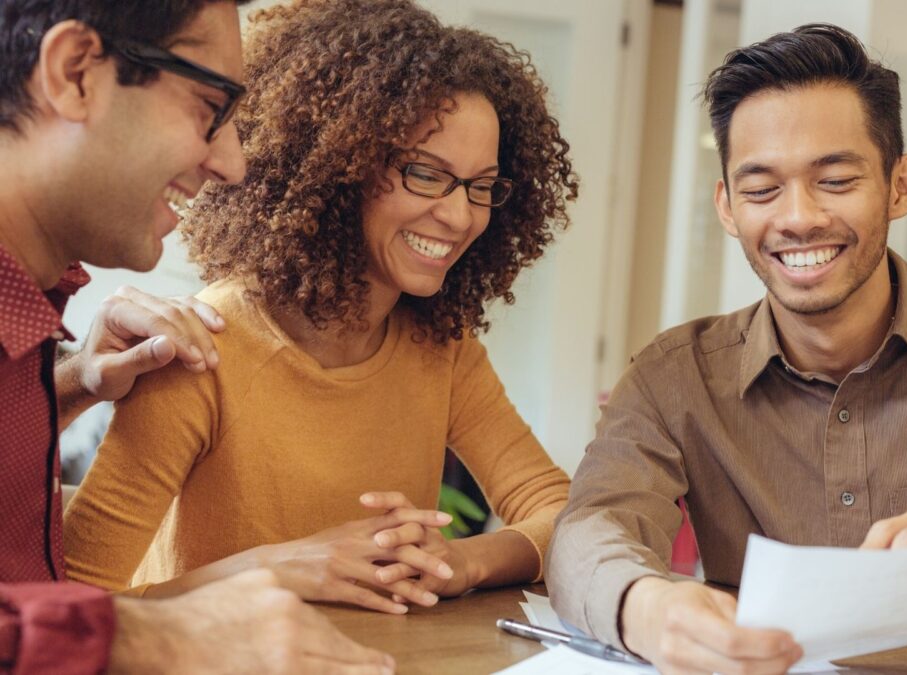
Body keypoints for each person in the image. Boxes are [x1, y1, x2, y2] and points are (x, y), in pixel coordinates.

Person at [547, 23, 907, 675]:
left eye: (833, 180)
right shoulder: (671, 378)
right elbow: (587, 531)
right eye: (761, 188)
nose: (797, 217)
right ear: (727, 205)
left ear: (901, 184)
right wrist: (647, 606)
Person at [63, 0, 576, 614]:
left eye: (482, 186)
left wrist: (458, 561)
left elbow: (560, 511)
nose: (461, 215)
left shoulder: (442, 350)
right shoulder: (201, 348)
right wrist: (266, 575)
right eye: (425, 174)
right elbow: (72, 606)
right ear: (339, 166)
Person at [0, 1, 395, 672]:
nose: (233, 163)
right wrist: (152, 636)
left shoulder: (35, 312)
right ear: (75, 74)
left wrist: (66, 384)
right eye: (209, 107)